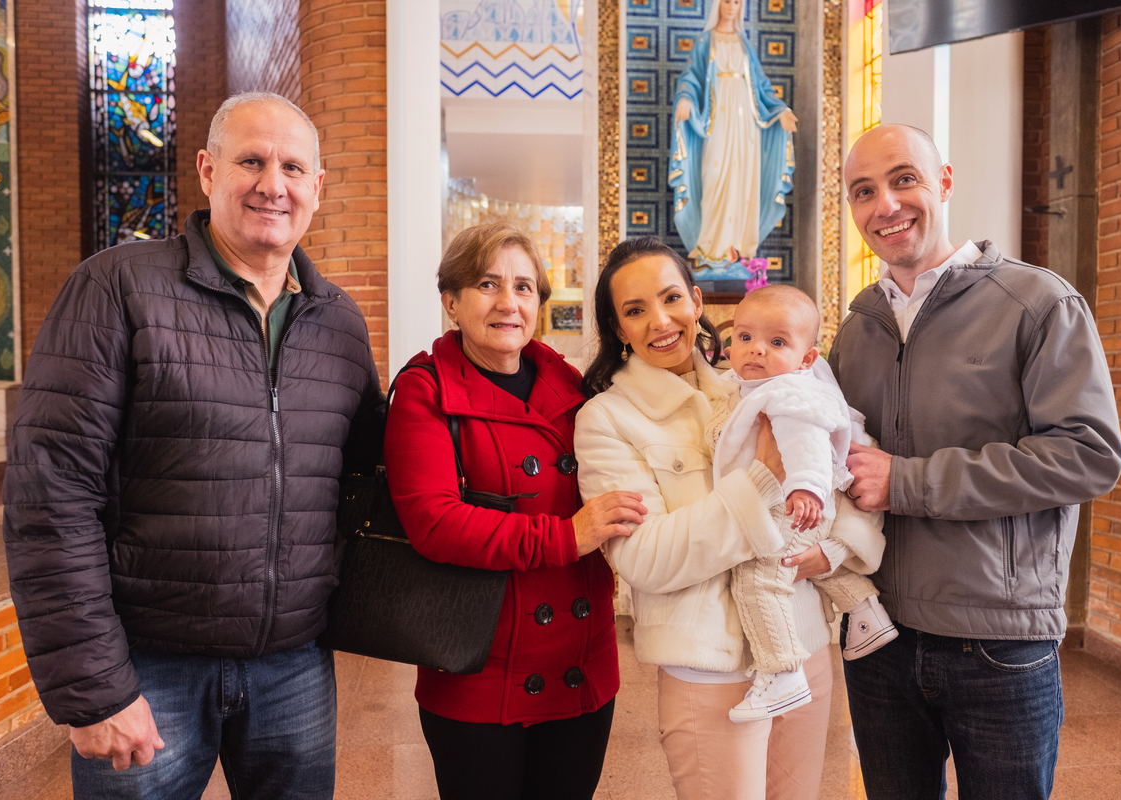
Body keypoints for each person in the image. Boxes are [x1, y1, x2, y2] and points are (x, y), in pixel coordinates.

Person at [2, 91, 386, 800]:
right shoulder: (118, 288)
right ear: (208, 172)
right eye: (251, 160)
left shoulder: (338, 324)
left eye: (294, 167)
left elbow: (372, 475)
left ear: (319, 189)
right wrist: (95, 690)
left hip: (294, 667)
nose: (274, 184)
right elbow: (50, 497)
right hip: (150, 665)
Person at [830, 123, 1121, 800]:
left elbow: (1087, 455)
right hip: (878, 637)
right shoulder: (858, 328)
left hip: (998, 641)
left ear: (945, 182)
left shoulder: (1039, 304)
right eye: (863, 191)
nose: (886, 205)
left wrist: (907, 481)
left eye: (905, 179)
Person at [574, 236, 883, 800]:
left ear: (697, 303)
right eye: (635, 311)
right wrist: (760, 480)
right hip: (710, 670)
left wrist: (831, 554)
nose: (661, 322)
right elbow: (646, 558)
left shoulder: (756, 387)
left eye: (671, 299)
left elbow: (841, 476)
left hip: (805, 649)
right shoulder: (607, 420)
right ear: (618, 329)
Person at [383, 221, 648, 800]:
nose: (509, 302)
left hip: (582, 662)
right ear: (451, 300)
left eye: (524, 287)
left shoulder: (570, 382)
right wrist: (566, 537)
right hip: (480, 674)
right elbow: (435, 524)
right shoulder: (425, 391)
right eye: (487, 284)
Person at [710, 285, 894, 723]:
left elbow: (806, 443)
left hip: (795, 504)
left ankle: (782, 672)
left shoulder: (789, 394)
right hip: (797, 502)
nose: (756, 350)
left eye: (776, 342)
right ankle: (866, 614)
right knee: (799, 561)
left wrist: (807, 489)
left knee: (760, 575)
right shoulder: (757, 385)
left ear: (807, 359)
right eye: (744, 337)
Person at [669, 0, 797, 268]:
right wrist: (685, 99)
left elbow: (761, 85)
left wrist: (781, 110)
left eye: (737, 1)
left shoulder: (744, 42)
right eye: (727, 0)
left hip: (746, 124)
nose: (731, 6)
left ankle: (738, 249)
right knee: (714, 177)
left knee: (742, 181)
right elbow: (690, 77)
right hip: (717, 121)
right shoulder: (706, 40)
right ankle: (709, 248)